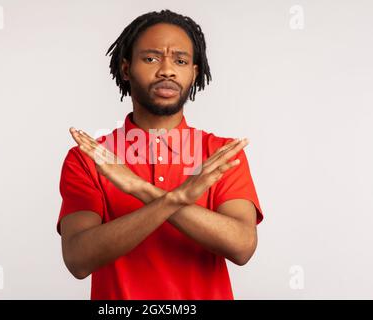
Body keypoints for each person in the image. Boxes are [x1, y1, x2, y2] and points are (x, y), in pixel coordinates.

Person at [56, 9, 264, 300]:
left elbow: (242, 246)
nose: (167, 70)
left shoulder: (222, 155)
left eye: (180, 60)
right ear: (126, 69)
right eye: (151, 58)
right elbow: (78, 259)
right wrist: (176, 197)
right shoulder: (91, 158)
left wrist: (142, 190)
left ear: (194, 72)